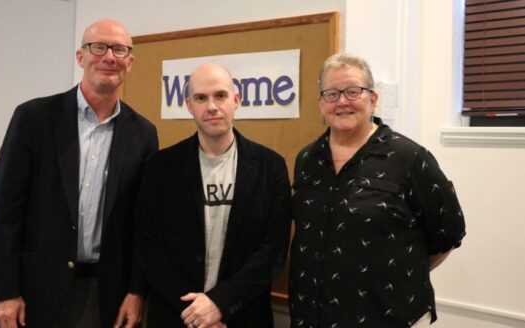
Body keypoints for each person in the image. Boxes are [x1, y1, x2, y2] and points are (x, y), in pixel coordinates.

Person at [0, 19, 158, 328]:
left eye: (119, 49)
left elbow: (142, 224)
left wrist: (136, 291)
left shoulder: (143, 133)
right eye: (98, 47)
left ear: (129, 62)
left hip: (105, 293)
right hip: (36, 291)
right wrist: (4, 291)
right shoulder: (34, 119)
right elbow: (4, 212)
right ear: (80, 57)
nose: (109, 57)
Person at [289, 53, 466, 327]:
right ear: (321, 104)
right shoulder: (307, 159)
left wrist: (390, 275)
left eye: (353, 91)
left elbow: (447, 233)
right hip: (313, 316)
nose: (342, 101)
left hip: (387, 316)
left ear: (373, 98)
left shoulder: (409, 158)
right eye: (331, 93)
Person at [135, 63, 291, 328]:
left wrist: (220, 304)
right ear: (188, 105)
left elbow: (272, 250)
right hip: (177, 315)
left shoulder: (270, 167)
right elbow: (149, 246)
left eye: (220, 95)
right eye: (201, 98)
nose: (211, 106)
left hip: (243, 316)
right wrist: (196, 312)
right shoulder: (160, 167)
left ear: (236, 99)